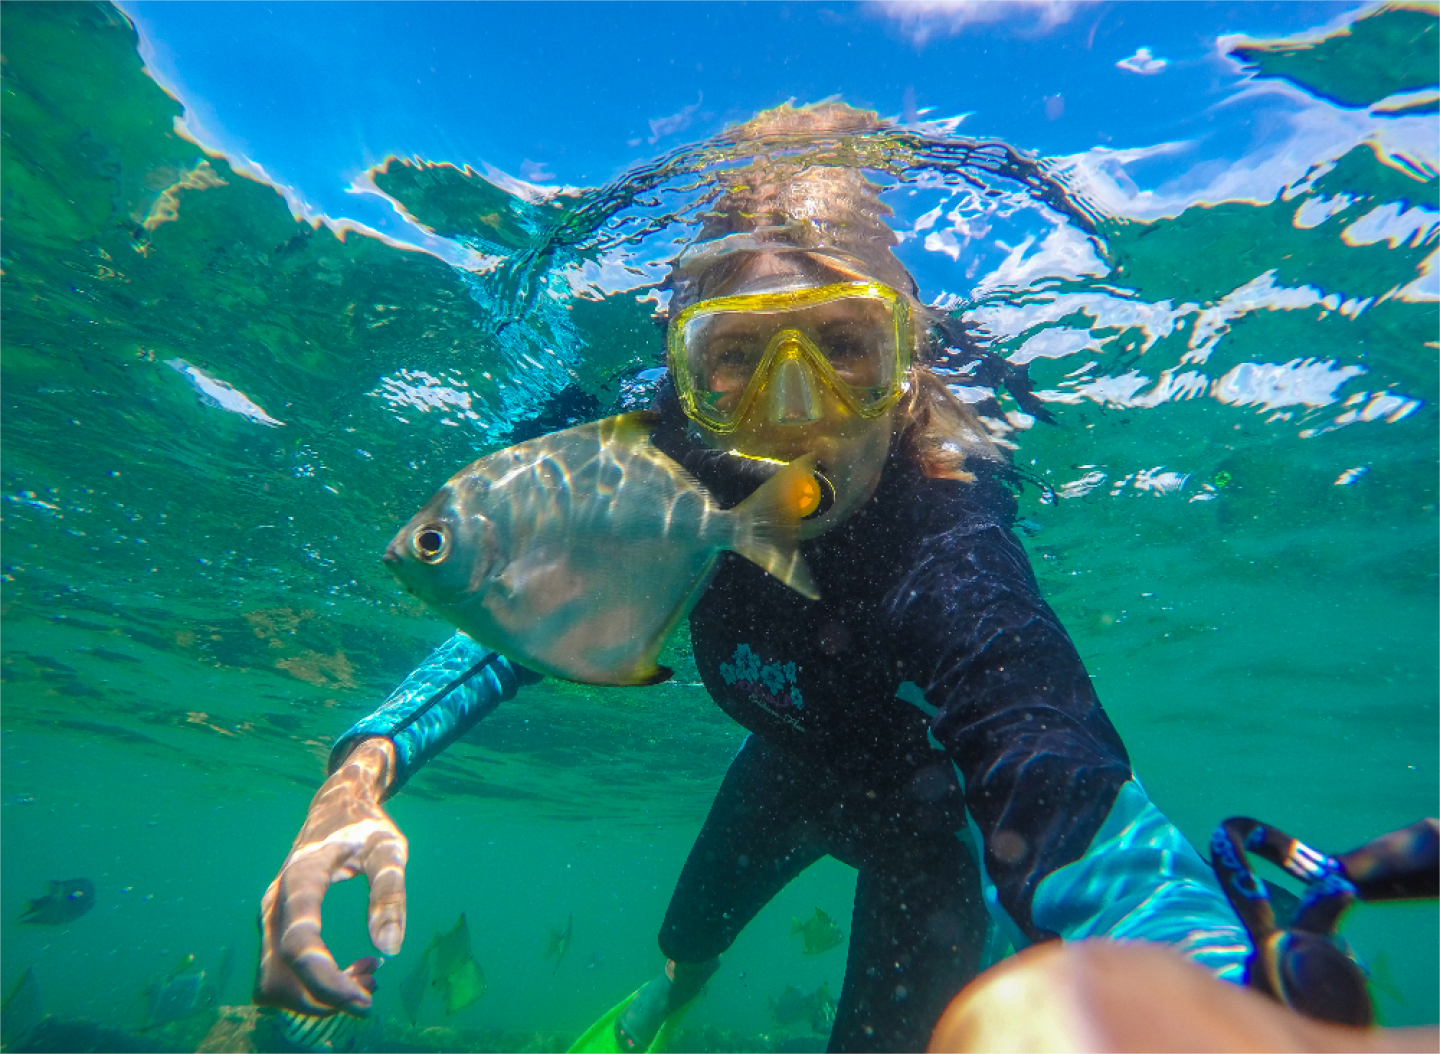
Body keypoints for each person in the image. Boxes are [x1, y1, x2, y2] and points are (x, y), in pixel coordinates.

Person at [254, 102, 1253, 1054]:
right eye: (735, 355)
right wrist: (357, 775)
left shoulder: (946, 543)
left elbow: (1059, 772)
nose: (793, 410)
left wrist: (1227, 1003)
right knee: (686, 933)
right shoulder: (664, 482)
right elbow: (517, 612)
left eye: (846, 349)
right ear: (681, 370)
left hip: (928, 832)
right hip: (779, 768)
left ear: (906, 362)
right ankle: (678, 989)